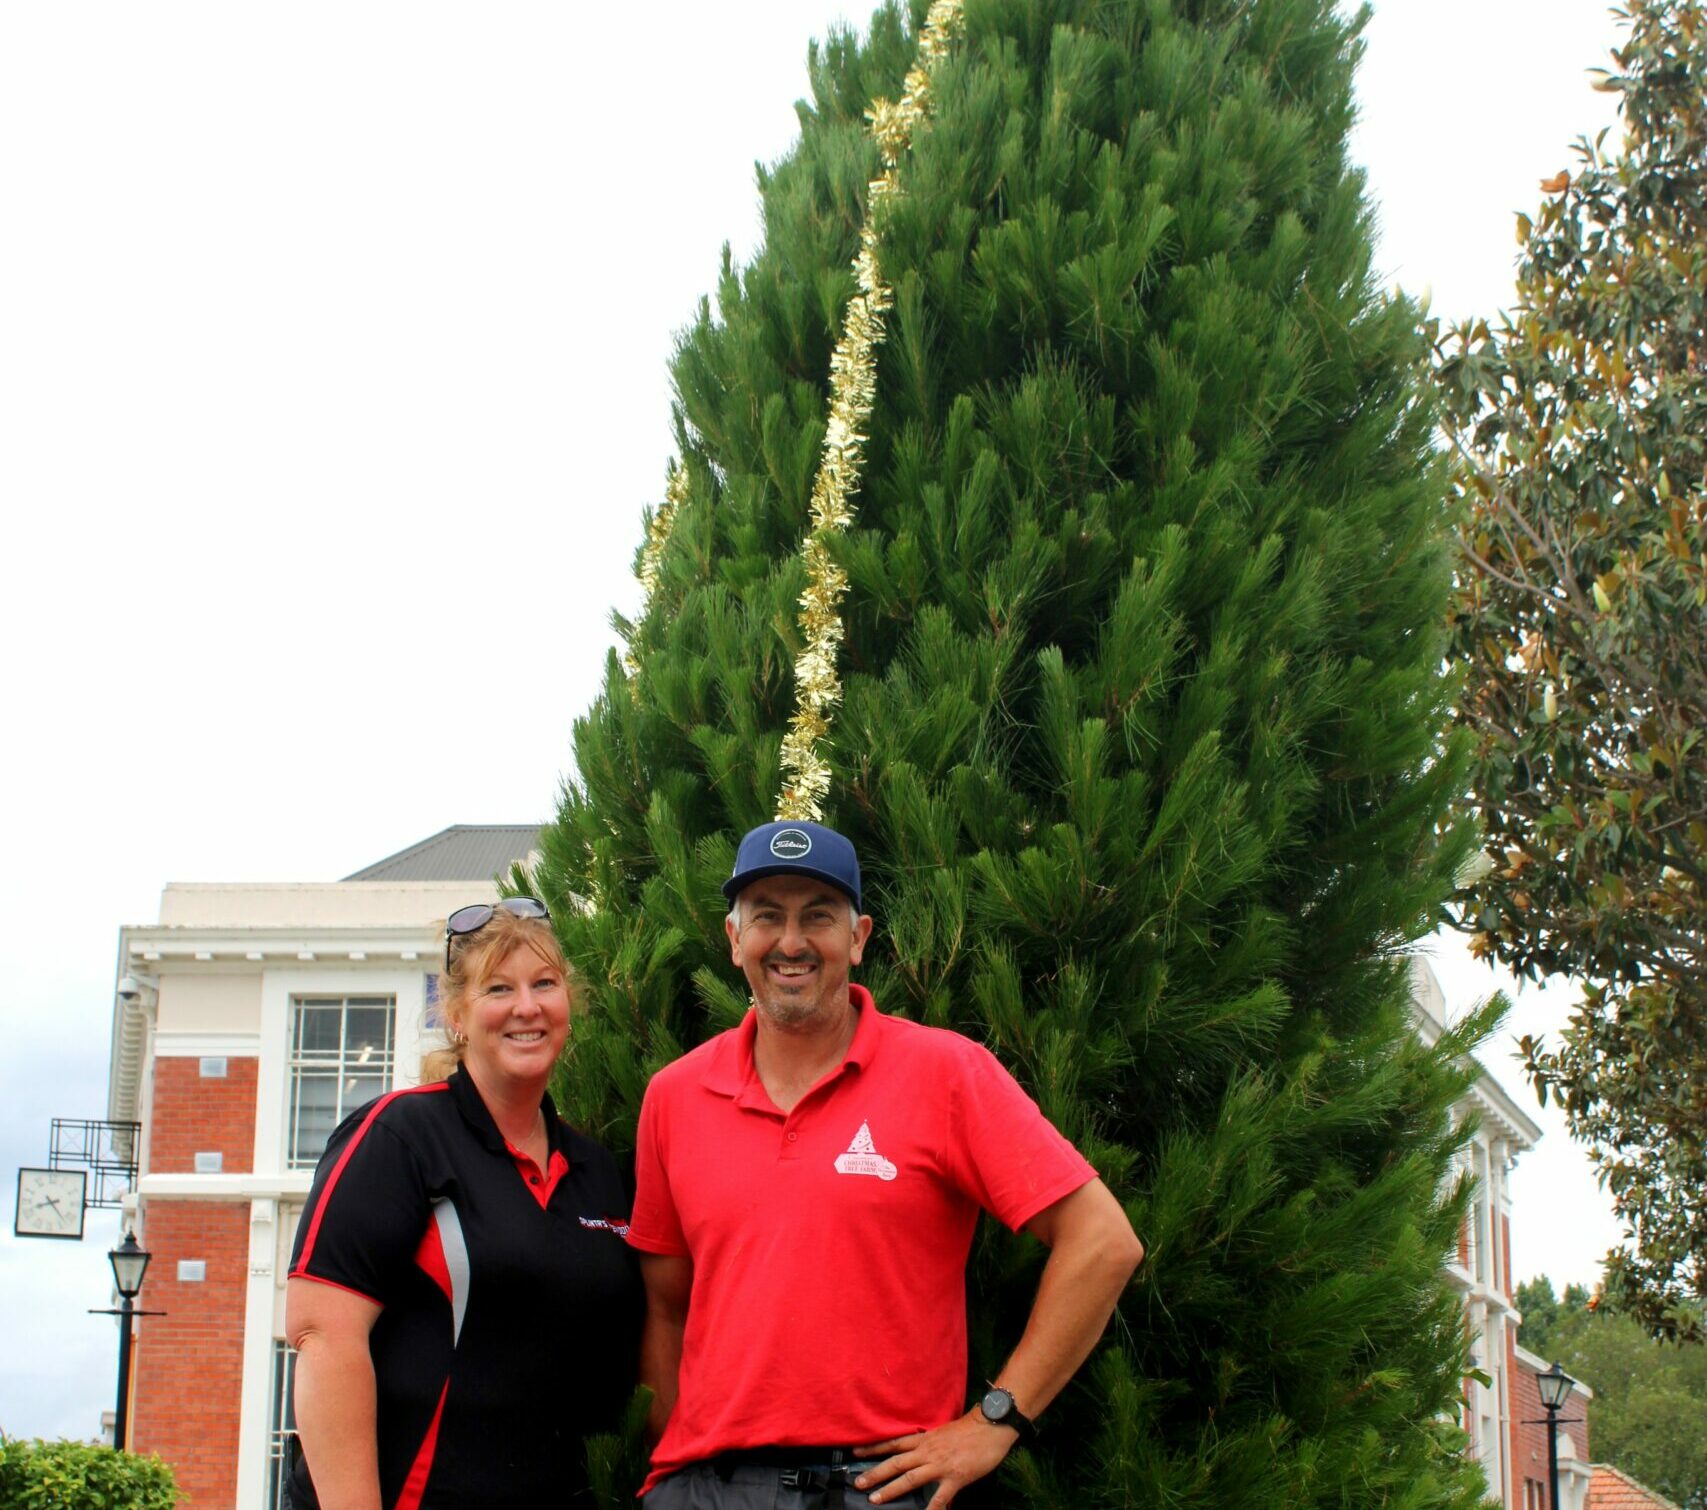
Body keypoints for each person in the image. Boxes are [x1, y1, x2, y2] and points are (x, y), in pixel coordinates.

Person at [629, 821, 1145, 1508]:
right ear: (733, 941)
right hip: (707, 1489)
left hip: (875, 1489)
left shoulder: (945, 1073)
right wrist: (671, 1471)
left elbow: (1103, 1243)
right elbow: (664, 1305)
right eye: (766, 918)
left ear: (858, 938)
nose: (789, 942)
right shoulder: (675, 1096)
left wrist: (995, 1421)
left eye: (817, 916)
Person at [285, 897, 643, 1510]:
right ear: (455, 1014)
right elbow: (324, 1336)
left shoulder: (600, 1175)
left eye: (545, 984)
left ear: (568, 1007)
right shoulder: (400, 1137)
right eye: (498, 988)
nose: (526, 1007)